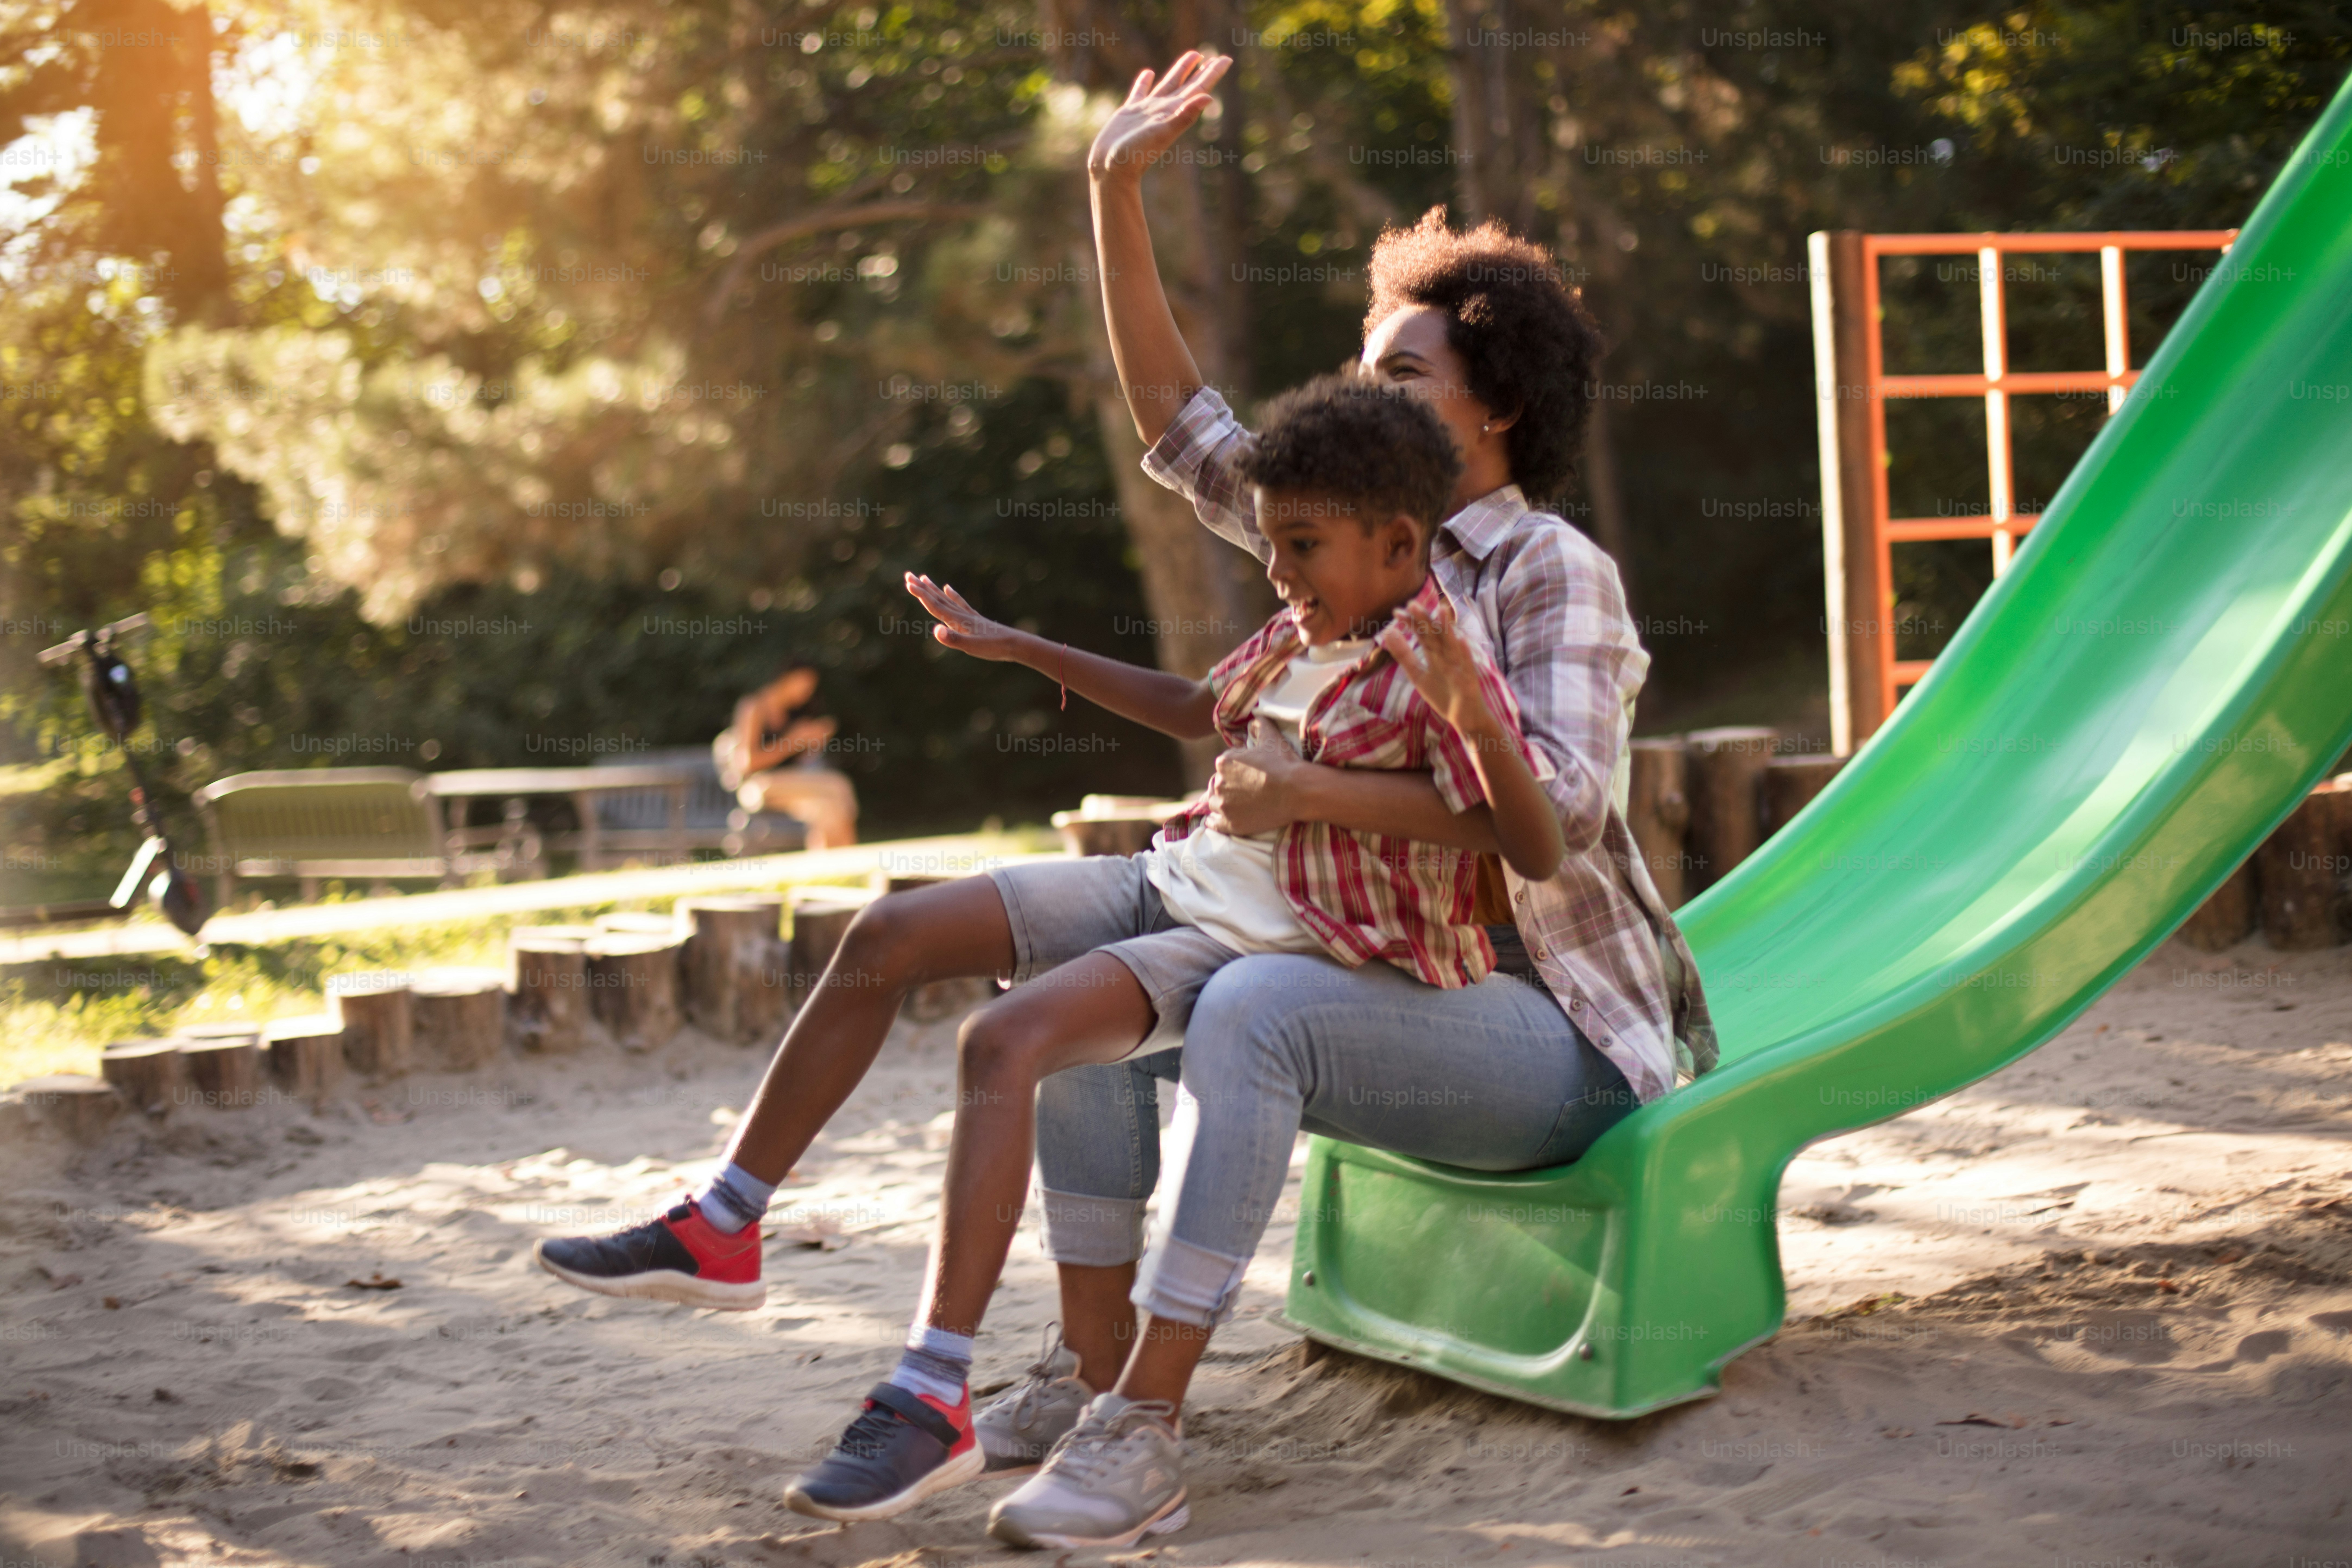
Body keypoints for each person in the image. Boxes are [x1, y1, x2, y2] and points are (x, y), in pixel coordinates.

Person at [954, 52, 1718, 1547]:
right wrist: (1113, 190)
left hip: (1541, 1025)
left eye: (1402, 374)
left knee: (1251, 1007)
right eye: (1362, 369)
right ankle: (1089, 1368)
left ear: (1497, 407)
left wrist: (1306, 785)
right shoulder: (1340, 543)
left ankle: (1144, 1430)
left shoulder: (1546, 569)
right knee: (1084, 970)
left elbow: (1554, 816)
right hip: (1375, 975)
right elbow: (1179, 423)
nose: (1367, 393)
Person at [777, 375, 1562, 1538]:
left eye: (1301, 546)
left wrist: (1405, 745)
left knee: (1180, 1006)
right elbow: (1199, 703)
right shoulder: (1304, 630)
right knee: (1019, 1013)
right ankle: (1043, 1373)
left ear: (1400, 543)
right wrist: (1025, 648)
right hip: (1225, 916)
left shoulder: (1446, 652)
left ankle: (1126, 1416)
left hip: (1347, 973)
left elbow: (1533, 841)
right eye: (1274, 544)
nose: (1277, 569)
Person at [713, 666, 858, 850]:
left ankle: (839, 862)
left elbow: (799, 763)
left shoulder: (793, 713)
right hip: (757, 787)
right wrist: (792, 742)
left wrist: (813, 741)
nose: (808, 692)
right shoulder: (754, 707)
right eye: (804, 684)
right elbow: (746, 764)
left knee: (826, 809)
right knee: (838, 785)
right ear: (786, 678)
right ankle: (847, 857)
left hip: (788, 785)